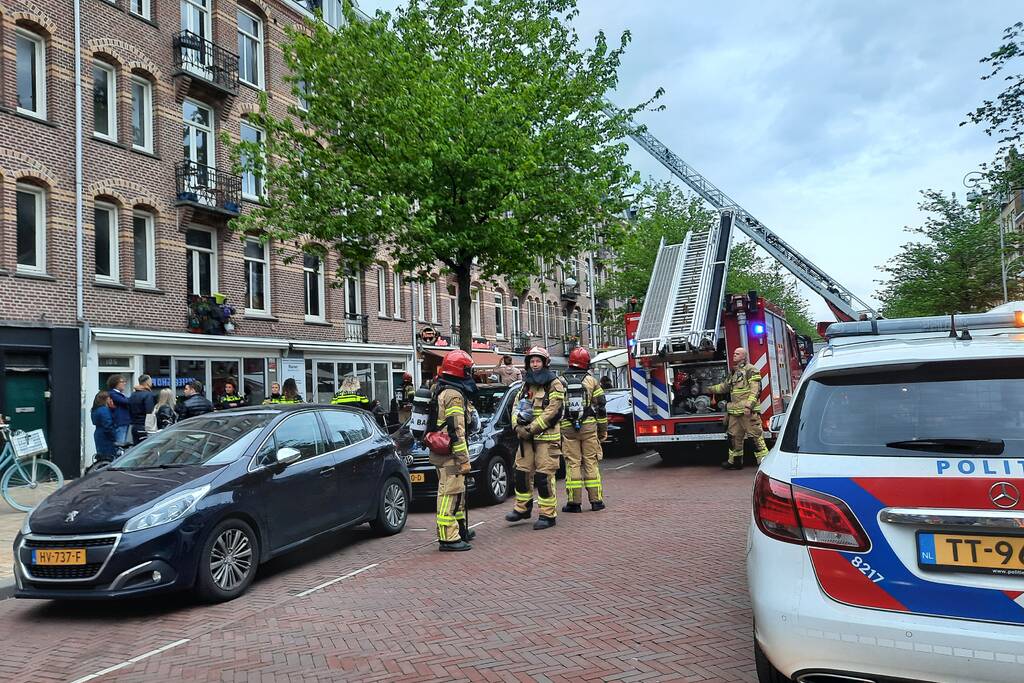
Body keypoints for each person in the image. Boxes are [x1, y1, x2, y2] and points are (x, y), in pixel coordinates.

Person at [505, 346, 565, 530]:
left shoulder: (554, 384)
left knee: (543, 476)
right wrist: (516, 425)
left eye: (538, 361)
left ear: (545, 363)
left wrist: (530, 429)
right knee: (521, 473)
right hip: (525, 439)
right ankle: (522, 508)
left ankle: (548, 514)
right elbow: (516, 406)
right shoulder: (525, 385)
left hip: (546, 439)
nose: (535, 364)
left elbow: (552, 412)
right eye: (532, 361)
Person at [428, 349, 478, 551]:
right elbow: (456, 430)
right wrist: (463, 459)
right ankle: (448, 538)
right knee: (449, 493)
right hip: (450, 455)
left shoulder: (443, 389)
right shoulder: (454, 395)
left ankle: (459, 529)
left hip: (444, 453)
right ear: (460, 370)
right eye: (468, 369)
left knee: (458, 492)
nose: (470, 373)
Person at [703, 346, 769, 469]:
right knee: (733, 437)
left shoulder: (752, 370)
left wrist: (749, 406)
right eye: (734, 353)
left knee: (755, 437)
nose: (734, 355)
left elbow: (756, 390)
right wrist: (710, 389)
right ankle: (735, 461)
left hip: (747, 412)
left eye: (737, 354)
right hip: (734, 412)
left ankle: (764, 464)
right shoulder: (734, 372)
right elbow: (725, 387)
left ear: (744, 356)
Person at [560, 347, 608, 513]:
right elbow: (601, 406)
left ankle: (574, 503)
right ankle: (596, 501)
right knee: (590, 462)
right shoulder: (591, 381)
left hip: (567, 428)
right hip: (588, 426)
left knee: (573, 463)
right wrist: (602, 430)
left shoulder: (560, 381)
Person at [91, 390, 118, 463]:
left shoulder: (95, 410)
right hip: (105, 436)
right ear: (105, 399)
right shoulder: (104, 410)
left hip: (98, 433)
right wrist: (114, 437)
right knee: (109, 457)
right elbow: (108, 426)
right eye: (109, 398)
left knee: (102, 456)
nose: (110, 400)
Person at [128, 375, 156, 443]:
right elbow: (149, 412)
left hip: (134, 426)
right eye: (150, 381)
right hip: (144, 426)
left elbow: (129, 409)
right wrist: (151, 429)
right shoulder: (148, 395)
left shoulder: (133, 394)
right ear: (147, 382)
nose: (151, 383)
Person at [106, 374, 132, 445]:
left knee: (123, 443)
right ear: (115, 383)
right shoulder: (113, 394)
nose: (124, 383)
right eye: (122, 382)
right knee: (120, 444)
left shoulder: (119, 394)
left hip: (124, 422)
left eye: (125, 381)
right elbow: (126, 401)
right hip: (119, 422)